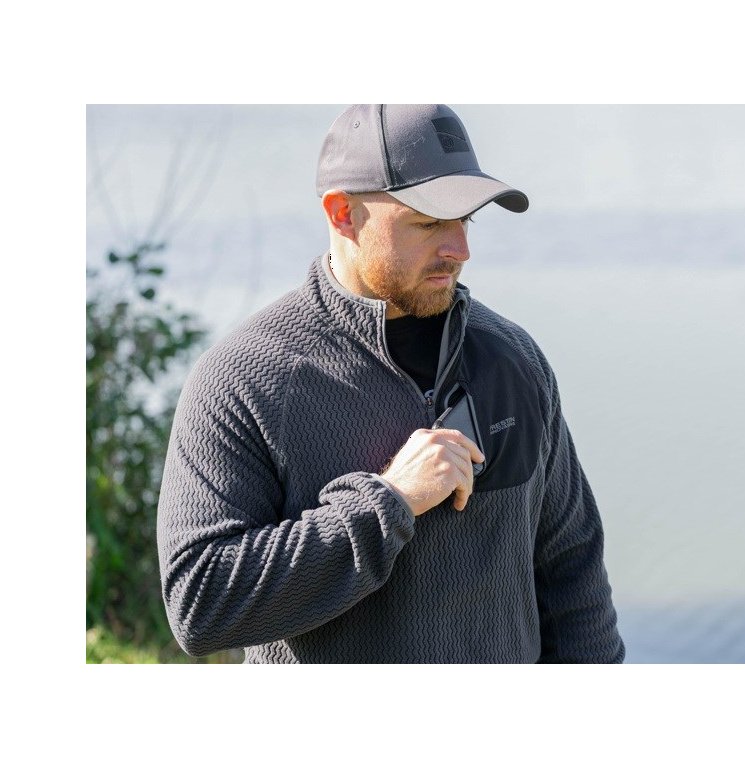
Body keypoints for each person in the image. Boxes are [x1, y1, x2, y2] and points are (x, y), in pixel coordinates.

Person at [156, 104, 625, 663]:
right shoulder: (244, 379)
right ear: (343, 214)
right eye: (428, 222)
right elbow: (199, 603)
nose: (460, 249)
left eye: (466, 220)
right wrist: (391, 501)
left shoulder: (514, 360)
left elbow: (573, 573)